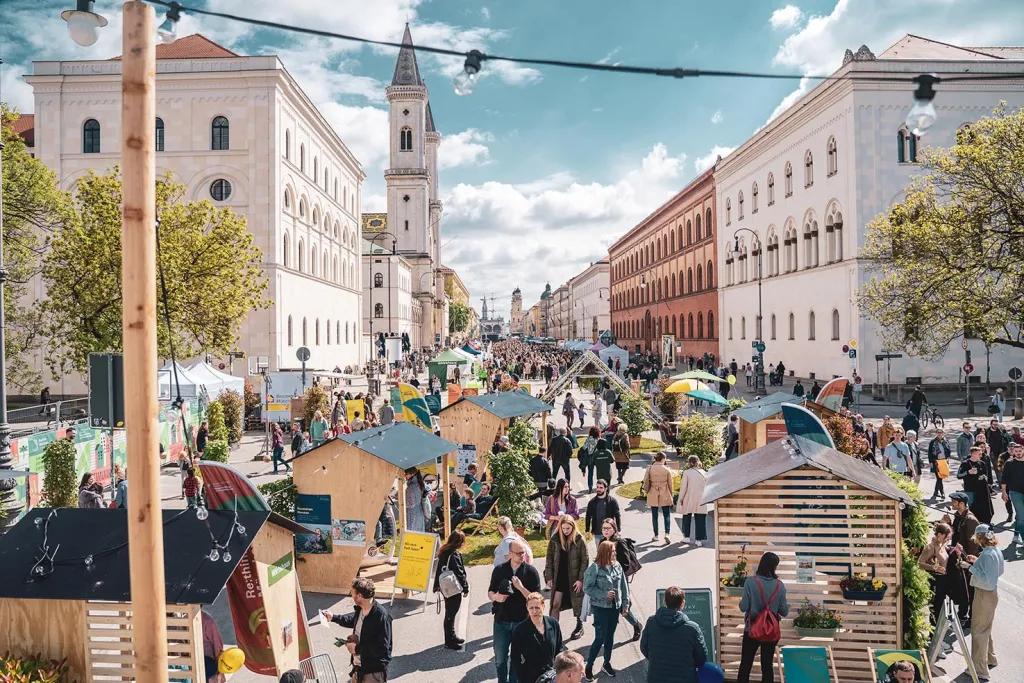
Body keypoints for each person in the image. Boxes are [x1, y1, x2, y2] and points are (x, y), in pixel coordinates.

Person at [489, 539, 543, 683]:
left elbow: (536, 599)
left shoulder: (531, 572)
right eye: (519, 553)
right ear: (510, 554)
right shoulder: (500, 570)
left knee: (516, 659)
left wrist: (520, 587)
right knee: (500, 659)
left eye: (523, 552)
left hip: (522, 622)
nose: (522, 556)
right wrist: (496, 597)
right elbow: (490, 592)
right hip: (502, 621)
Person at [323, 578, 393, 683]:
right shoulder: (361, 609)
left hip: (372, 672)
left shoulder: (381, 617)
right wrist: (334, 617)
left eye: (352, 593)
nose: (351, 596)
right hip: (358, 668)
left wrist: (357, 648)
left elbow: (382, 649)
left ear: (359, 596)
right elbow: (354, 621)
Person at [737, 552, 789, 683]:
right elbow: (784, 611)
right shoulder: (779, 585)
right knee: (767, 666)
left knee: (745, 665)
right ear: (774, 567)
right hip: (770, 632)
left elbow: (743, 607)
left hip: (752, 629)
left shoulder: (751, 582)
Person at [639, 586, 708, 683]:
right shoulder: (692, 629)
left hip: (656, 677)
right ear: (683, 603)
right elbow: (702, 657)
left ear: (664, 601)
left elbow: (644, 648)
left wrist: (657, 660)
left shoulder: (652, 622)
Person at [582, 541, 630, 680]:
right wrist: (604, 594)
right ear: (604, 552)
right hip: (601, 608)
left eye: (615, 551)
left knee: (610, 637)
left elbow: (623, 587)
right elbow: (587, 588)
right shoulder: (594, 568)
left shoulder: (617, 566)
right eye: (612, 551)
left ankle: (606, 663)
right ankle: (589, 666)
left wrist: (625, 605)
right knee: (600, 637)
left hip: (615, 607)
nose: (615, 553)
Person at [965, 524, 1003, 680]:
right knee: (986, 628)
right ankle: (990, 658)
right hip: (993, 593)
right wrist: (976, 562)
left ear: (981, 537)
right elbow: (997, 572)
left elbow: (985, 580)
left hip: (984, 594)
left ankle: (980, 669)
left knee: (978, 631)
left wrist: (969, 567)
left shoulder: (987, 554)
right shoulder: (996, 551)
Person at [545, 514, 589, 641]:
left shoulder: (579, 540)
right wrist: (549, 576)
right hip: (560, 577)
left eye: (568, 529)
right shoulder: (555, 539)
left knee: (577, 604)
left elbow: (584, 561)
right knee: (555, 604)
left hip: (575, 578)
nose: (565, 531)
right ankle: (553, 631)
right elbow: (549, 559)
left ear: (573, 527)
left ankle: (579, 626)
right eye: (563, 528)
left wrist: (581, 579)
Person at [600, 518, 643, 641]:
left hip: (619, 580)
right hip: (605, 579)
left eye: (609, 528)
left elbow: (625, 563)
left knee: (623, 608)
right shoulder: (603, 541)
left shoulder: (620, 542)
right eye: (604, 528)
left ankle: (636, 625)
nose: (606, 531)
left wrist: (612, 566)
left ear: (614, 529)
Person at [942, 492, 980, 626]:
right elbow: (956, 534)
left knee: (969, 590)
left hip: (966, 560)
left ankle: (970, 618)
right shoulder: (958, 516)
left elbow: (973, 543)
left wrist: (969, 563)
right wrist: (948, 524)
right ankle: (961, 614)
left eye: (954, 502)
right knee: (960, 588)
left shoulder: (970, 520)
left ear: (962, 504)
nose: (952, 504)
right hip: (957, 557)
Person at [510, 592, 564, 683]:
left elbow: (559, 649)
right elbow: (515, 658)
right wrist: (522, 678)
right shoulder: (520, 630)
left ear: (543, 606)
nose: (534, 611)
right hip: (531, 678)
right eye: (531, 608)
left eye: (537, 607)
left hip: (552, 675)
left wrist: (559, 671)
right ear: (527, 608)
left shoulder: (553, 623)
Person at [435, 530, 469, 650]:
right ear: (460, 542)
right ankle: (449, 641)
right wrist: (465, 588)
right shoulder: (453, 554)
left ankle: (452, 635)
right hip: (453, 587)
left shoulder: (444, 551)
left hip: (445, 587)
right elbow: (459, 573)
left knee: (450, 613)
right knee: (451, 614)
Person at [918, 522, 951, 625]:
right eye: (946, 537)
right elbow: (919, 563)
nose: (948, 539)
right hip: (935, 581)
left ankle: (939, 630)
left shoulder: (942, 545)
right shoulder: (930, 547)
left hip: (943, 581)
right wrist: (934, 568)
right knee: (935, 609)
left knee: (942, 608)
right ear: (940, 535)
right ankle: (933, 634)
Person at [642, 452, 675, 544]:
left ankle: (656, 535)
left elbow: (645, 480)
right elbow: (670, 485)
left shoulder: (650, 468)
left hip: (653, 492)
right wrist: (671, 495)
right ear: (663, 459)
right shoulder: (666, 469)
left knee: (654, 515)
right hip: (664, 492)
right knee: (666, 515)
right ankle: (667, 533)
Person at [676, 455, 709, 546]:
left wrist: (680, 499)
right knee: (700, 518)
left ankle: (686, 537)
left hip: (689, 497)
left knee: (686, 517)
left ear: (689, 462)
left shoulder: (687, 473)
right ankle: (699, 540)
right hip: (701, 498)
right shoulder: (704, 472)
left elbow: (683, 488)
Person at [958, 447, 994, 524]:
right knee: (972, 509)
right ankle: (972, 524)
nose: (981, 455)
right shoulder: (965, 463)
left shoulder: (982, 463)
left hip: (981, 490)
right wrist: (968, 472)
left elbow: (986, 475)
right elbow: (959, 475)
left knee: (982, 508)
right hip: (970, 490)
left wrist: (985, 478)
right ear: (973, 454)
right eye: (979, 454)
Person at [1000, 442, 1024, 545]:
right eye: (1016, 451)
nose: (1018, 453)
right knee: (1022, 516)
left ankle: (1015, 535)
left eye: (1020, 451)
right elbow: (1004, 479)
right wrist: (1004, 492)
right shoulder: (1009, 463)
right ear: (1013, 452)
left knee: (1020, 516)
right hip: (1015, 492)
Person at [928, 429, 951, 499]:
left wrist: (948, 458)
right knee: (939, 478)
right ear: (936, 433)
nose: (939, 434)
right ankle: (942, 492)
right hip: (936, 462)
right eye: (938, 432)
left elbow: (948, 450)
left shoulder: (945, 441)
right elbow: (929, 453)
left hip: (944, 461)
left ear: (943, 433)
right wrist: (931, 462)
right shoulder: (932, 442)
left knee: (940, 477)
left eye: (941, 432)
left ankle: (935, 491)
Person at [404, 467, 428, 532]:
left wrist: (402, 503)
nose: (405, 475)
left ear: (412, 474)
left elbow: (411, 504)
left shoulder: (411, 487)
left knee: (412, 535)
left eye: (406, 473)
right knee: (419, 533)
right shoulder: (419, 483)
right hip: (420, 512)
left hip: (412, 513)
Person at [577, 427, 600, 494]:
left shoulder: (589, 439)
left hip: (588, 458)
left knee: (590, 474)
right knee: (598, 472)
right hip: (595, 458)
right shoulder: (597, 440)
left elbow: (584, 447)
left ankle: (590, 487)